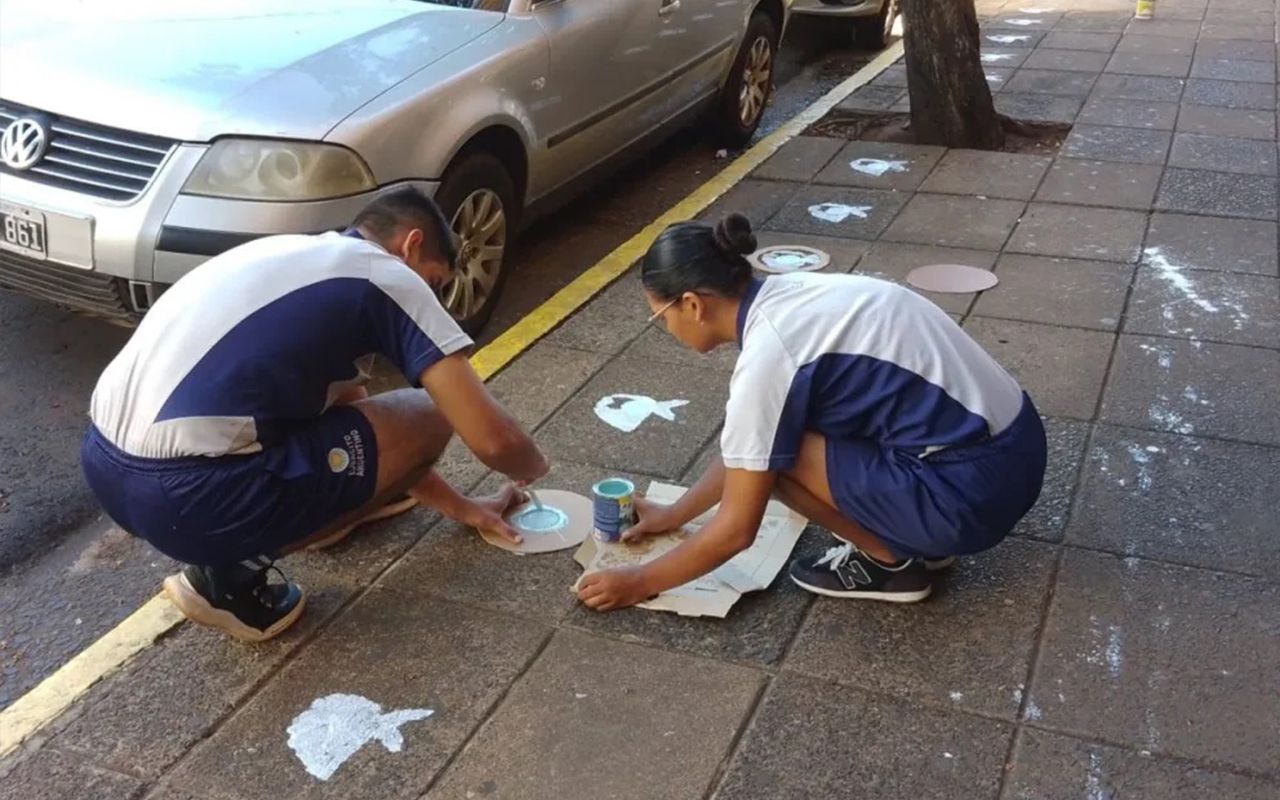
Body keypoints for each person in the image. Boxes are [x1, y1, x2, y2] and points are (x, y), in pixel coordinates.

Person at [82, 187, 549, 641]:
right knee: (431, 412)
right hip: (192, 497)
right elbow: (494, 441)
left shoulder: (296, 257)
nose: (432, 298)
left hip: (105, 467)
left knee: (366, 422)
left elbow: (370, 424)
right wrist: (536, 468)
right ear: (411, 245)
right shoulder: (387, 275)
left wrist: (465, 509)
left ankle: (326, 506)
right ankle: (227, 578)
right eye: (435, 283)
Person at [576, 214, 1047, 610]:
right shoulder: (796, 293)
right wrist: (676, 513)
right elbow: (751, 443)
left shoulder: (771, 356)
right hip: (1015, 452)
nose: (666, 330)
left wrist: (640, 581)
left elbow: (737, 529)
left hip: (974, 496)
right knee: (774, 441)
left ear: (693, 305)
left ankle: (889, 564)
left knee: (776, 465)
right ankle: (918, 535)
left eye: (660, 318)